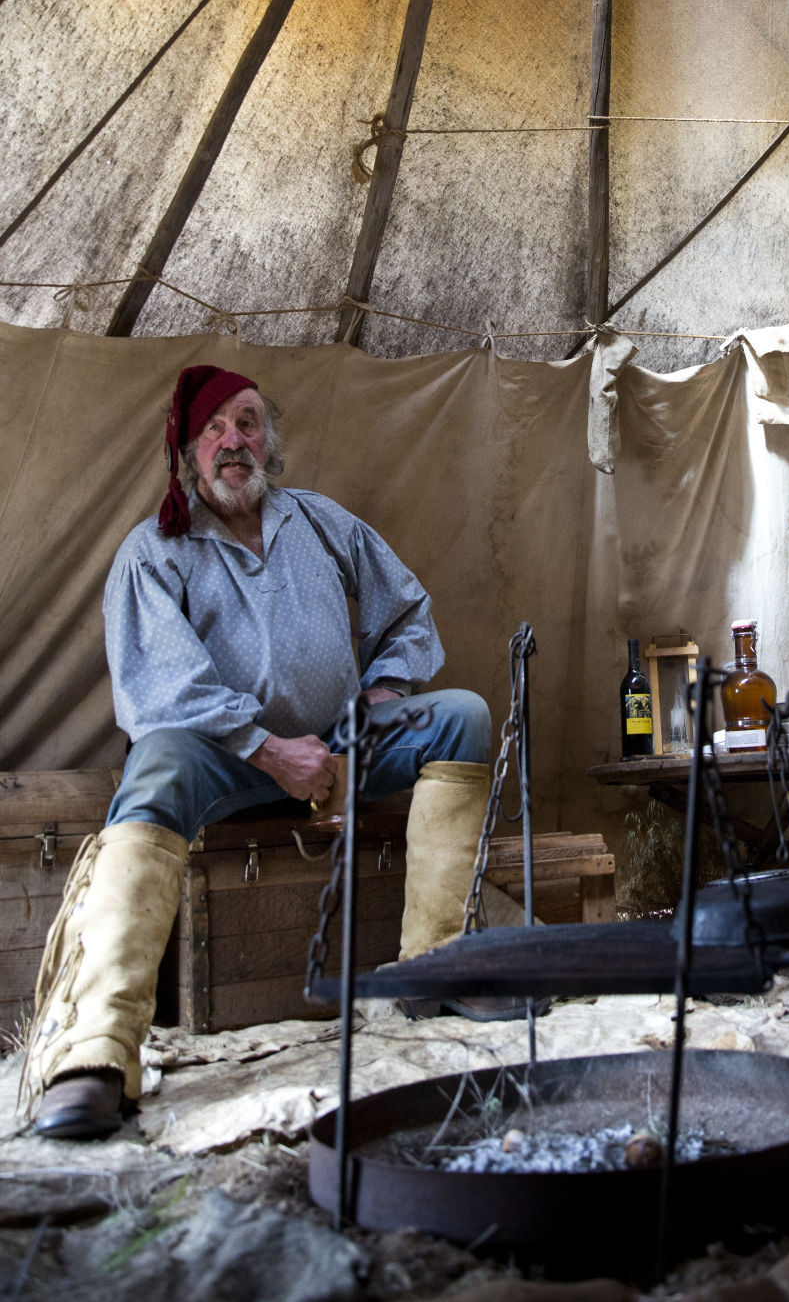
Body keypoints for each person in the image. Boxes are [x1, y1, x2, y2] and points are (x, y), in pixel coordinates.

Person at [21, 364, 493, 1140]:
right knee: (159, 761)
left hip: (340, 751)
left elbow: (406, 608)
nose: (232, 441)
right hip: (227, 760)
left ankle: (434, 968)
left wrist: (384, 688)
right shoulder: (155, 550)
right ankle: (96, 1050)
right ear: (187, 454)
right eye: (213, 429)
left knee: (461, 717)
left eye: (246, 423)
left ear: (270, 443)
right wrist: (270, 750)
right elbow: (164, 690)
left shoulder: (318, 522)